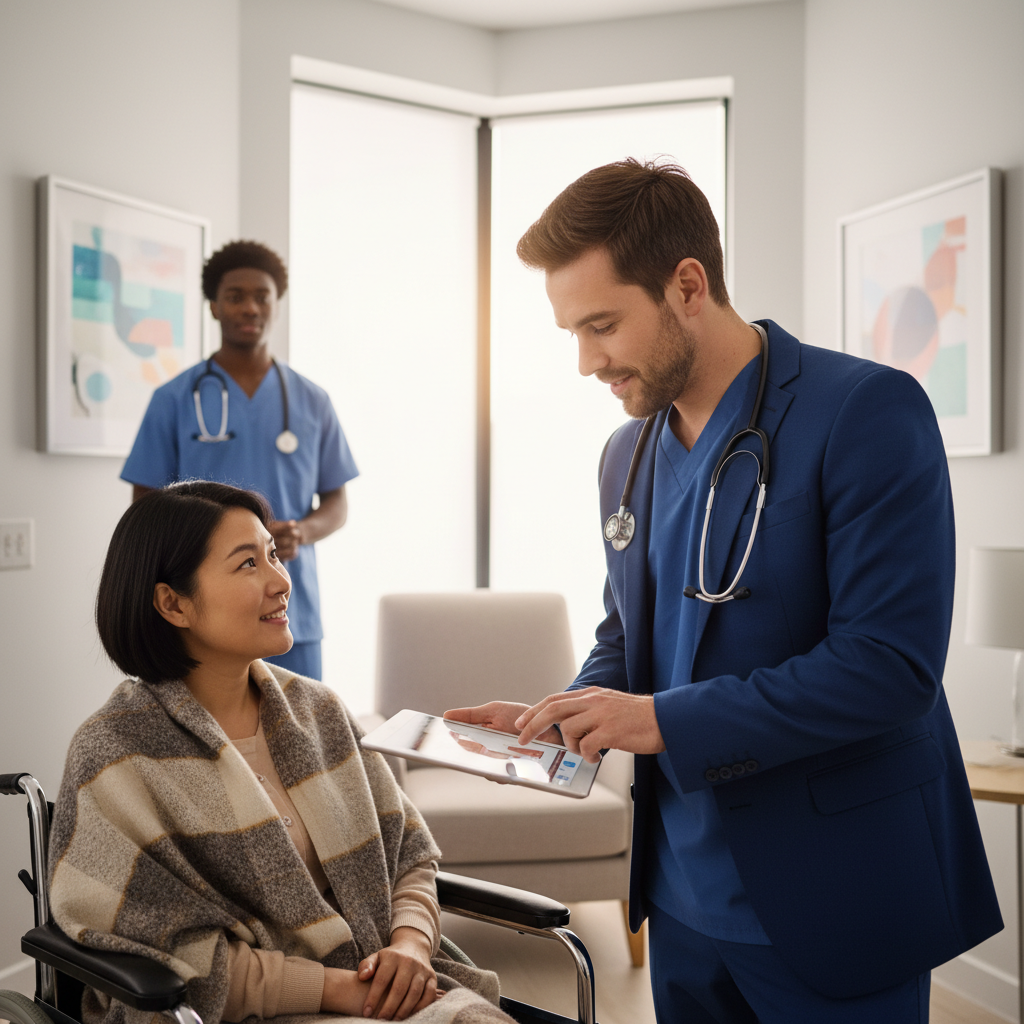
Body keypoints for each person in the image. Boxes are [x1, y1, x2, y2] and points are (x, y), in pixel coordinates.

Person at [447, 159, 1002, 1023]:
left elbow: (889, 668)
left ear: (687, 286)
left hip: (834, 890)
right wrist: (565, 718)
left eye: (602, 326)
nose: (587, 362)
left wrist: (659, 721)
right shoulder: (627, 454)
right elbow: (631, 637)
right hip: (681, 897)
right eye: (572, 333)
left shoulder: (864, 412)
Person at [48, 481, 511, 1024]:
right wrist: (341, 991)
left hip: (383, 986)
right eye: (248, 564)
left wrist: (410, 945)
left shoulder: (319, 711)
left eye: (272, 554)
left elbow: (407, 853)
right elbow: (161, 953)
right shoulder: (115, 753)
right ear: (173, 603)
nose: (281, 581)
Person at [121, 241, 357, 680]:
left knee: (302, 719)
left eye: (262, 296)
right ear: (214, 306)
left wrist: (302, 532)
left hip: (290, 611)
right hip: (206, 611)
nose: (250, 307)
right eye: (235, 296)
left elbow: (337, 503)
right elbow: (146, 509)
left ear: (276, 305)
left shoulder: (312, 401)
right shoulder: (173, 399)